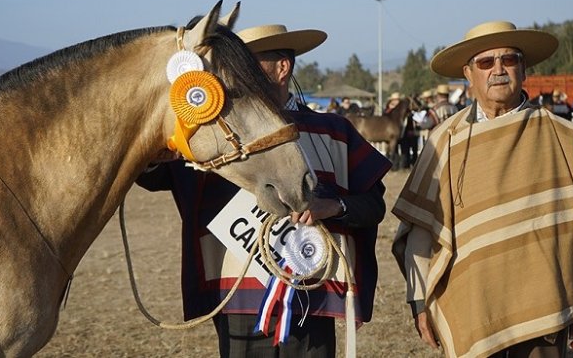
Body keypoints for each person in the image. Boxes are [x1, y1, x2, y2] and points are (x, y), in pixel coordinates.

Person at [137, 23, 391, 357]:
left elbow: (373, 206)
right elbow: (153, 176)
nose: (233, 74)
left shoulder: (334, 132)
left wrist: (332, 208)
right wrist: (155, 139)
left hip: (312, 296)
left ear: (282, 67)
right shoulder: (213, 133)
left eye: (247, 63)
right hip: (235, 296)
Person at [391, 21, 573, 358]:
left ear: (524, 69)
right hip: (472, 308)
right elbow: (422, 230)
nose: (498, 70)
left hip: (545, 307)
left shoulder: (563, 136)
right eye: (486, 63)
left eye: (509, 60)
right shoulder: (444, 141)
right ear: (468, 75)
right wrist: (418, 299)